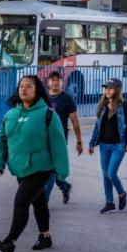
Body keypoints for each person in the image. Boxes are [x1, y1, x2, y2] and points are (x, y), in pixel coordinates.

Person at [0, 75, 70, 252]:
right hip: (19, 167)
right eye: (21, 87)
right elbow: (2, 140)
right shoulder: (11, 114)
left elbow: (59, 145)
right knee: (39, 202)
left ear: (37, 91)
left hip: (41, 168)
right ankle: (45, 236)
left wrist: (62, 172)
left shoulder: (48, 114)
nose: (24, 89)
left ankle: (10, 241)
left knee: (21, 202)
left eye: (28, 86)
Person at [88, 78, 127, 214]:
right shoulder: (102, 105)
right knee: (105, 175)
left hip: (119, 145)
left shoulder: (125, 105)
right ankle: (109, 203)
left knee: (111, 173)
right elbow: (97, 126)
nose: (107, 90)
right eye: (106, 88)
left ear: (117, 90)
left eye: (110, 88)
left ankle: (121, 194)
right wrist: (91, 143)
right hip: (104, 145)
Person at [44, 71, 83, 204]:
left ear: (62, 82)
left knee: (52, 170)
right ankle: (64, 186)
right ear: (48, 82)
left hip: (59, 141)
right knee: (46, 169)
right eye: (52, 79)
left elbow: (75, 122)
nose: (55, 82)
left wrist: (79, 141)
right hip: (43, 139)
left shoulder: (67, 99)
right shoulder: (43, 98)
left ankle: (45, 199)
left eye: (58, 79)